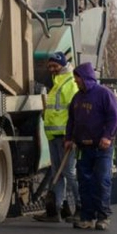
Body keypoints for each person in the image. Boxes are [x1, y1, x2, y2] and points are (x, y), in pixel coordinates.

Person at [64, 61, 117, 230]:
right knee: (85, 182)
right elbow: (71, 120)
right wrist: (69, 138)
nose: (76, 82)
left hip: (101, 147)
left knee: (101, 180)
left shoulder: (104, 94)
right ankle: (87, 217)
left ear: (85, 78)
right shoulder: (77, 97)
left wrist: (107, 136)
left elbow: (114, 117)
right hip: (83, 147)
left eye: (77, 79)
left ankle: (103, 217)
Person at [35, 52, 79, 223]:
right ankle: (56, 210)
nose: (52, 69)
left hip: (65, 137)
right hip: (53, 136)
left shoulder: (70, 83)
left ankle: (80, 207)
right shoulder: (56, 83)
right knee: (57, 173)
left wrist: (72, 136)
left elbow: (75, 113)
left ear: (62, 65)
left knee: (69, 172)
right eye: (50, 67)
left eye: (55, 66)